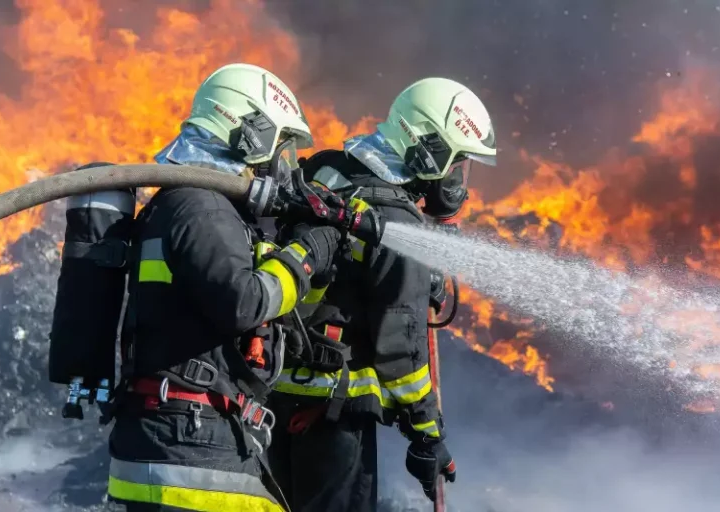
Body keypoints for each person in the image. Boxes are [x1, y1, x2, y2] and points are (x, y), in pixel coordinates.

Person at [105, 63, 342, 512]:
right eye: (282, 149)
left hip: (182, 438)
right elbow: (244, 301)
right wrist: (305, 253)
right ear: (250, 135)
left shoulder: (189, 206)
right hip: (192, 447)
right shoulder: (203, 207)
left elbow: (269, 312)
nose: (284, 167)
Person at [267, 77, 497, 511]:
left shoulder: (324, 170)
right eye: (457, 164)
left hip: (274, 398)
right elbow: (402, 352)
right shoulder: (397, 224)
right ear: (427, 148)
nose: (458, 181)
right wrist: (427, 436)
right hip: (333, 417)